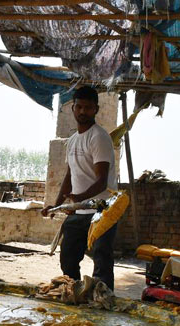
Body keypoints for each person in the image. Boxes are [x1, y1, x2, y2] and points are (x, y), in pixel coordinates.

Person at [42, 86, 118, 290]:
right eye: (79, 107)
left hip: (102, 210)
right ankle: (74, 294)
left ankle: (103, 301)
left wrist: (79, 198)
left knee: (101, 260)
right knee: (67, 258)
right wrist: (55, 205)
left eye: (88, 107)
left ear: (96, 110)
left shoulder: (99, 137)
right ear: (73, 108)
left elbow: (102, 181)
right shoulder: (73, 140)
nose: (83, 111)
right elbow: (69, 174)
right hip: (79, 210)